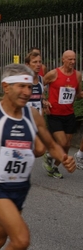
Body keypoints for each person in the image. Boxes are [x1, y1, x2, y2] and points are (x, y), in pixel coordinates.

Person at [0, 63, 76, 250]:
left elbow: (52, 145)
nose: (26, 92)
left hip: (20, 187)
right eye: (21, 86)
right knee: (21, 240)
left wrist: (64, 158)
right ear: (6, 87)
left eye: (29, 87)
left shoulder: (33, 115)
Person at [42, 50, 82, 179]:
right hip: (54, 114)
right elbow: (38, 86)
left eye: (74, 59)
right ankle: (49, 155)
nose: (72, 62)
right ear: (63, 60)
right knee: (63, 143)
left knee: (67, 145)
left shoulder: (78, 75)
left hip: (69, 114)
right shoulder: (53, 74)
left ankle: (54, 167)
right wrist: (44, 100)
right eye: (69, 59)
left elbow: (78, 94)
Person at [25, 51, 46, 157]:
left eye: (40, 62)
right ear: (27, 65)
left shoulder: (41, 79)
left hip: (36, 122)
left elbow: (41, 100)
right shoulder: (23, 81)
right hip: (23, 122)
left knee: (40, 150)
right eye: (35, 62)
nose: (38, 64)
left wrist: (45, 102)